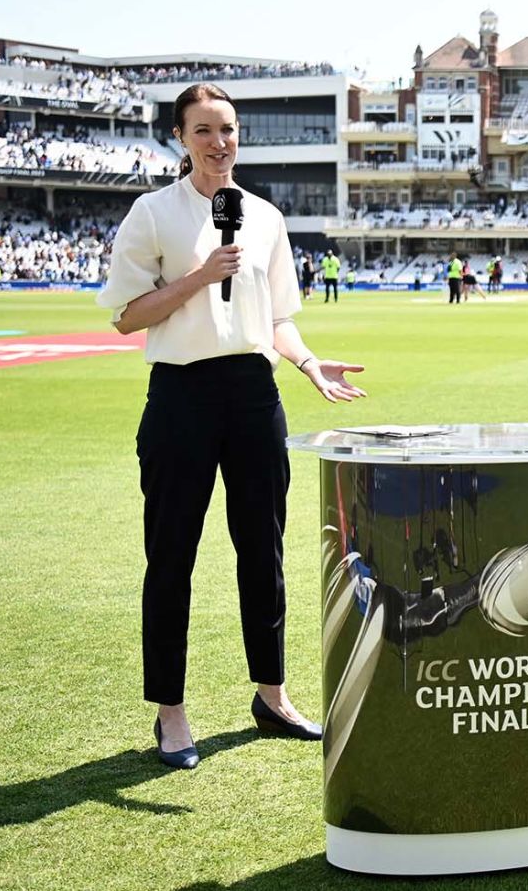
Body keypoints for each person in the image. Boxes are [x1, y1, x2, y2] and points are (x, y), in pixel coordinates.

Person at [96, 83, 368, 770]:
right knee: (172, 558)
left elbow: (277, 318)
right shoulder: (153, 213)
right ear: (182, 139)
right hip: (181, 395)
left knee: (264, 553)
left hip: (254, 394)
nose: (220, 143)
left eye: (229, 129)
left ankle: (271, 696)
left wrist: (307, 362)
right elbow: (127, 315)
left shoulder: (267, 218)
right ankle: (171, 714)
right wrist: (197, 277)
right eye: (204, 131)